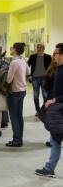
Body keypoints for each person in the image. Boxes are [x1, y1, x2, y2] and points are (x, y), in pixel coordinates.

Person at [35, 43, 63, 178]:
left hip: (60, 109)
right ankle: (49, 168)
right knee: (55, 140)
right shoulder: (58, 69)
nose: (54, 56)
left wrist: (54, 100)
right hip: (57, 110)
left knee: (55, 141)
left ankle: (49, 169)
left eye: (56, 53)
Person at [6, 42, 30, 147]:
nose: (10, 49)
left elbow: (8, 79)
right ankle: (20, 138)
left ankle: (16, 140)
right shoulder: (23, 60)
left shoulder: (14, 62)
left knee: (14, 116)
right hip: (23, 90)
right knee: (19, 116)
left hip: (14, 92)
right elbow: (28, 72)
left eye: (11, 48)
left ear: (15, 50)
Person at [27, 43, 52, 115]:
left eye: (40, 47)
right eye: (37, 47)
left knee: (45, 95)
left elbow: (50, 67)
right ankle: (38, 110)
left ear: (43, 48)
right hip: (35, 78)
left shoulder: (48, 57)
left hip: (44, 78)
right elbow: (27, 65)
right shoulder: (33, 56)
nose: (38, 48)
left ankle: (44, 109)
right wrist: (29, 75)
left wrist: (50, 76)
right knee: (35, 96)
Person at [43, 58, 57, 147]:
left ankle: (53, 141)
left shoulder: (51, 71)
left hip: (52, 97)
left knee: (53, 120)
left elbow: (46, 85)